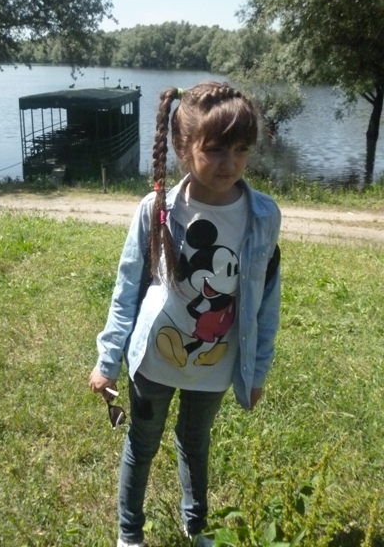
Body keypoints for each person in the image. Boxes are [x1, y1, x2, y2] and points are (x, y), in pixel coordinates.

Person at [89, 81, 281, 547]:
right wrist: (108, 358)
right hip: (154, 360)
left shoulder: (262, 216)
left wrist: (256, 371)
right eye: (215, 149)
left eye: (241, 149)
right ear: (182, 146)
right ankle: (129, 534)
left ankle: (198, 527)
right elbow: (127, 288)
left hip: (215, 366)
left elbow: (267, 299)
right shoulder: (156, 209)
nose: (229, 162)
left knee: (195, 444)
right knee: (142, 443)